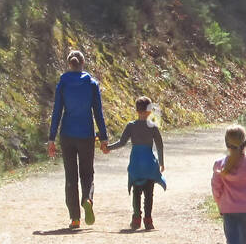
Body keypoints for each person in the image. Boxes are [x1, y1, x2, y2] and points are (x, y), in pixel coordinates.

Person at [47, 50, 109, 228]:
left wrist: (51, 138)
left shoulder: (63, 83)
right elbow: (98, 113)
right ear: (83, 63)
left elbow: (57, 111)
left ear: (69, 64)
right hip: (86, 135)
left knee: (71, 177)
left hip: (67, 135)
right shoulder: (91, 83)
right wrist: (103, 137)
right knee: (87, 174)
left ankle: (75, 218)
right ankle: (87, 199)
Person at [108, 96, 166, 231]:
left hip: (136, 164)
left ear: (136, 110)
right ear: (149, 111)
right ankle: (148, 219)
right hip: (149, 165)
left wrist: (108, 148)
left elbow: (121, 143)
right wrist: (161, 162)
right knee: (149, 193)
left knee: (136, 192)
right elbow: (160, 146)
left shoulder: (131, 126)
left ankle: (136, 218)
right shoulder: (152, 127)